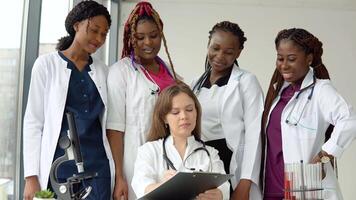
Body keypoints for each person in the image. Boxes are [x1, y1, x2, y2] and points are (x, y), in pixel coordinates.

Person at [22, 1, 113, 199]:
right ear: (76, 25)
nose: (99, 38)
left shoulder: (104, 72)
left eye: (104, 34)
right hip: (59, 169)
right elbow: (33, 122)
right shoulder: (46, 65)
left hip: (98, 170)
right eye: (94, 30)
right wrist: (31, 177)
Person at [261, 28, 356, 200]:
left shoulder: (321, 90)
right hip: (271, 188)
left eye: (291, 59)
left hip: (305, 187)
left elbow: (349, 119)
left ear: (309, 59)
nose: (284, 65)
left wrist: (324, 155)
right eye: (280, 58)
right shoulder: (276, 92)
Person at [106, 1, 178, 199]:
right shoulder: (121, 73)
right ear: (131, 39)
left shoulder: (171, 74)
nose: (148, 42)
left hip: (170, 161)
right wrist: (119, 176)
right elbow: (114, 128)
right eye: (140, 37)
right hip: (134, 164)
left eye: (153, 36)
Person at [191, 21, 264, 200]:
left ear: (238, 52)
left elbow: (255, 135)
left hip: (231, 163)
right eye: (215, 48)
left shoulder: (246, 82)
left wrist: (245, 183)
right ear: (208, 44)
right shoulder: (195, 85)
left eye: (228, 52)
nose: (219, 56)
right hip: (201, 163)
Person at [131, 82, 230, 200]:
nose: (184, 116)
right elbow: (141, 185)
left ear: (196, 112)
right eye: (175, 112)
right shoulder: (149, 150)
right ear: (164, 118)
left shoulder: (211, 153)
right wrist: (163, 187)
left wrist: (220, 195)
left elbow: (224, 188)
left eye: (189, 109)